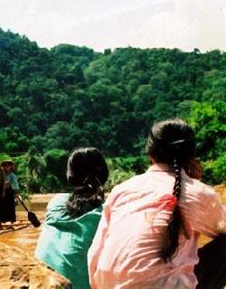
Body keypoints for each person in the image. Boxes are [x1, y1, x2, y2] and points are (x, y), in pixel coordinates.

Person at [88, 119, 226, 289]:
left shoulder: (121, 190)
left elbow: (94, 254)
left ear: (150, 154)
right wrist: (196, 182)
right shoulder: (198, 192)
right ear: (192, 155)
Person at [35, 147, 109, 288]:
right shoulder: (109, 212)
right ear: (104, 174)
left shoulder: (55, 202)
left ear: (70, 175)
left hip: (43, 283)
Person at [1, 160, 19, 225]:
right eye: (5, 166)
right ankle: (3, 220)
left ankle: (11, 221)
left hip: (10, 192)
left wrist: (9, 184)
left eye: (8, 166)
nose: (6, 167)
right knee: (3, 206)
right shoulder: (2, 174)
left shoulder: (13, 175)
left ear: (10, 167)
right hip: (3, 192)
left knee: (11, 206)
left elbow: (16, 185)